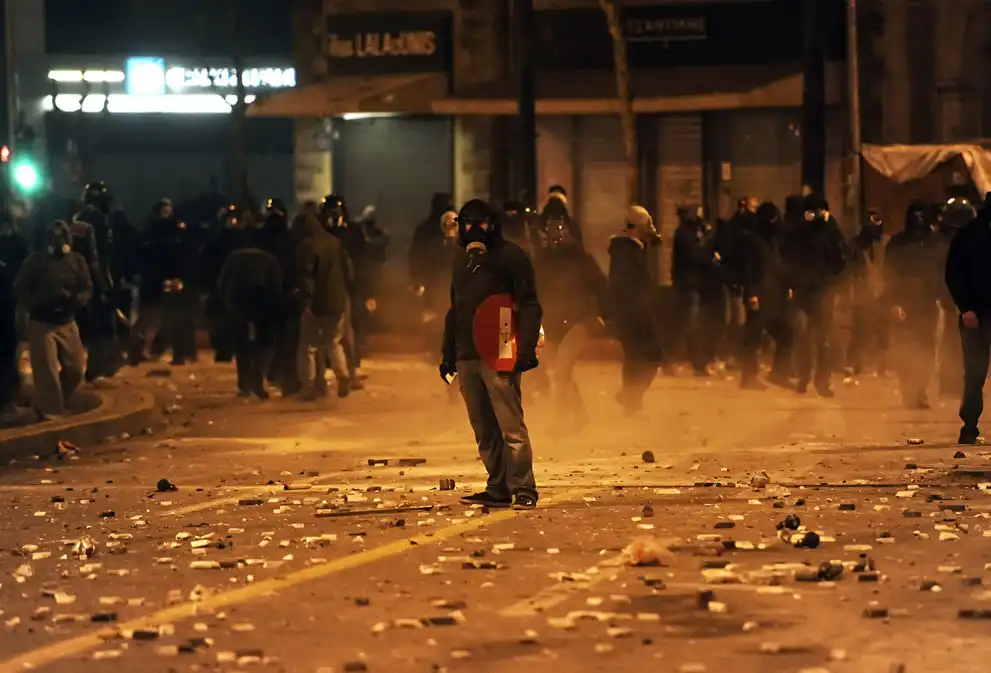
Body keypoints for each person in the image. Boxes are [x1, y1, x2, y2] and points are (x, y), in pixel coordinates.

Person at [441, 199, 542, 510]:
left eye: (481, 222)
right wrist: (448, 354)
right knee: (484, 429)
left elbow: (529, 304)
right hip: (467, 354)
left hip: (500, 350)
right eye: (467, 222)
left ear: (493, 224)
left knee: (510, 426)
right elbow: (455, 310)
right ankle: (498, 486)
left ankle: (524, 488)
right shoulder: (461, 261)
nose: (474, 229)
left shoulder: (511, 257)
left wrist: (526, 349)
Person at [533, 201, 608, 431]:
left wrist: (602, 314)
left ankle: (560, 419)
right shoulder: (542, 258)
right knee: (560, 370)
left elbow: (600, 285)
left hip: (578, 319)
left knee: (562, 369)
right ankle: (580, 413)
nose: (555, 232)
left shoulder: (579, 256)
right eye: (550, 226)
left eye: (559, 226)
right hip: (555, 322)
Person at [13, 220, 92, 419]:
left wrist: (75, 299)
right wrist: (39, 301)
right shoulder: (34, 262)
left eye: (62, 235)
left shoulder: (77, 261)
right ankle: (50, 413)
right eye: (54, 235)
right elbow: (19, 289)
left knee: (76, 370)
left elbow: (86, 287)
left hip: (67, 322)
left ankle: (52, 402)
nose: (58, 240)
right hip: (41, 322)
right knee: (46, 371)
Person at [779, 194, 846, 396]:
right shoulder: (797, 233)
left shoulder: (832, 233)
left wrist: (834, 285)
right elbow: (787, 259)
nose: (814, 215)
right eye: (810, 211)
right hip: (802, 291)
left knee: (822, 339)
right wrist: (790, 284)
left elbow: (841, 262)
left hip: (823, 291)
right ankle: (804, 376)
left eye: (817, 211)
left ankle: (822, 381)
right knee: (802, 336)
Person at [885, 202, 943, 409]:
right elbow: (889, 274)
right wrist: (894, 302)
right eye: (914, 216)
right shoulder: (898, 243)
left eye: (921, 216)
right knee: (905, 348)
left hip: (928, 303)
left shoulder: (935, 242)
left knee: (926, 348)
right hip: (904, 303)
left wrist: (943, 297)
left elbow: (943, 271)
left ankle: (920, 390)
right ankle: (909, 390)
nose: (918, 220)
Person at [129, 199, 198, 366]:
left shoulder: (176, 232)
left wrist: (182, 277)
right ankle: (137, 351)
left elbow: (186, 255)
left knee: (175, 318)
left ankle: (180, 353)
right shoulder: (149, 232)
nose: (166, 215)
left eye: (168, 211)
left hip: (172, 280)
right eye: (163, 211)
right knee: (148, 319)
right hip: (153, 280)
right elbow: (142, 254)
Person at [608, 205, 664, 414]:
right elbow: (624, 286)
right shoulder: (626, 250)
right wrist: (636, 310)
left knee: (636, 358)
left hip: (634, 312)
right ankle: (630, 397)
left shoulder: (631, 247)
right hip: (634, 313)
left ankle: (631, 401)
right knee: (650, 355)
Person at [945, 193, 991, 443]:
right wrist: (966, 307)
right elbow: (954, 273)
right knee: (975, 372)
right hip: (977, 314)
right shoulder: (969, 235)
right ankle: (970, 424)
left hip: (977, 312)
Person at [217, 232, 283, 399]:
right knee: (265, 342)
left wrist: (226, 302)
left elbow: (222, 281)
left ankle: (244, 383)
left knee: (242, 344)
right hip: (262, 301)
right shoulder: (270, 259)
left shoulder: (234, 257)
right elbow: (276, 285)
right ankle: (258, 378)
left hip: (237, 301)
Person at [294, 208, 351, 400]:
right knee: (333, 341)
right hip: (338, 300)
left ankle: (309, 385)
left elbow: (305, 275)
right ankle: (343, 374)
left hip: (317, 302)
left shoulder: (307, 246)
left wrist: (306, 300)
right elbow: (348, 271)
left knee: (308, 345)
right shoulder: (335, 243)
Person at [72, 181, 117, 384]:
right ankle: (98, 368)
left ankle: (79, 367)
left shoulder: (77, 218)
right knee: (102, 326)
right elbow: (97, 256)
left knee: (81, 327)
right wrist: (104, 283)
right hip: (93, 280)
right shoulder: (98, 221)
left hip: (76, 279)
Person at [256, 197, 299, 391]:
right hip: (281, 293)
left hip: (267, 292)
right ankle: (279, 375)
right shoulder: (290, 237)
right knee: (283, 338)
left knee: (267, 338)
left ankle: (270, 374)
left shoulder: (259, 237)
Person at [200, 204, 246, 362]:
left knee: (237, 321)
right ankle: (223, 348)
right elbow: (207, 264)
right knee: (219, 321)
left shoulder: (246, 240)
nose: (233, 222)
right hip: (220, 286)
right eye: (230, 219)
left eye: (235, 219)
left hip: (240, 286)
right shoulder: (215, 242)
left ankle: (235, 348)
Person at [847, 208, 889, 376]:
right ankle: (854, 363)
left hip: (883, 292)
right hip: (863, 292)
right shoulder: (856, 245)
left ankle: (882, 366)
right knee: (860, 331)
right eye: (868, 220)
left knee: (883, 331)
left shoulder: (886, 243)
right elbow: (850, 269)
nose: (872, 224)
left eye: (876, 220)